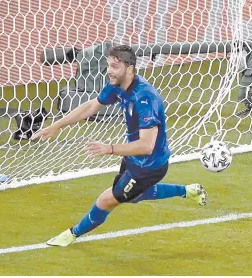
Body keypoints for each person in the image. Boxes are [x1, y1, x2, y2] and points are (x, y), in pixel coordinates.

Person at [31, 45, 208, 247]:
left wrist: (109, 148)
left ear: (130, 68)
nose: (108, 71)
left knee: (108, 200)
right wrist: (56, 126)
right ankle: (188, 191)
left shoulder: (145, 98)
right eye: (108, 65)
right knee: (132, 196)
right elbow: (91, 106)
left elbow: (147, 146)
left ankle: (72, 234)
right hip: (133, 156)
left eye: (114, 66)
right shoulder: (117, 86)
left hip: (149, 165)